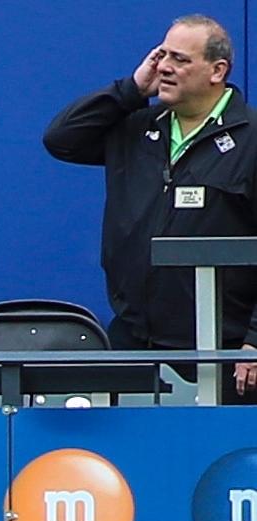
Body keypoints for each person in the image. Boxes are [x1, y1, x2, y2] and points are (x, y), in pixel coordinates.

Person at [46, 15, 257, 396]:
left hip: (225, 350)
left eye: (180, 59)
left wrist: (255, 340)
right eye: (162, 56)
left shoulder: (251, 139)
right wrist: (130, 90)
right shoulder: (138, 127)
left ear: (217, 70)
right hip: (134, 341)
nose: (165, 68)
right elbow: (61, 139)